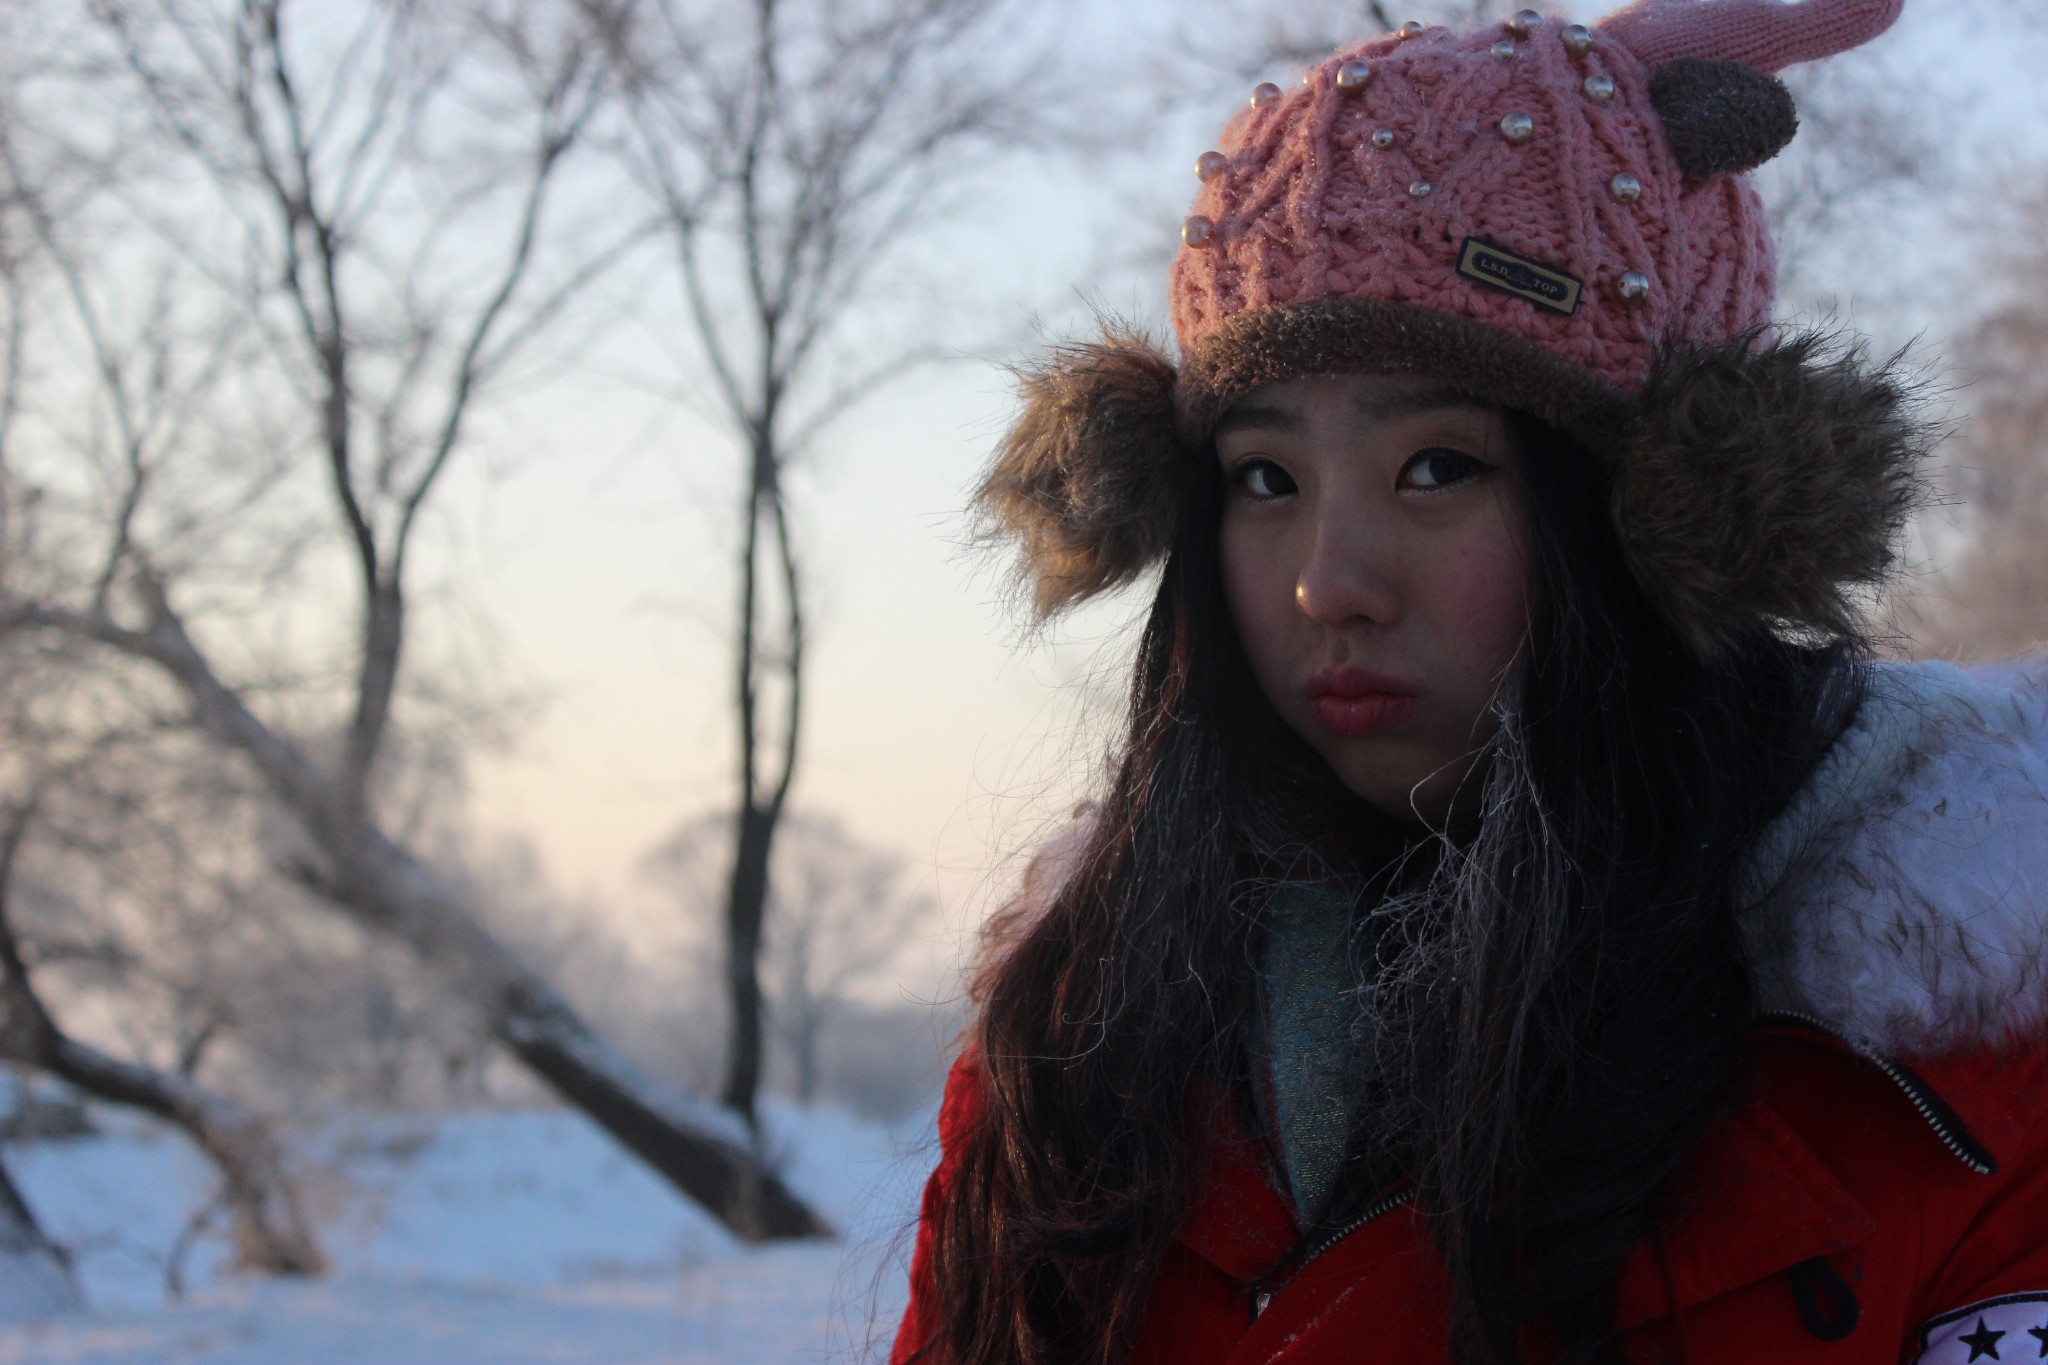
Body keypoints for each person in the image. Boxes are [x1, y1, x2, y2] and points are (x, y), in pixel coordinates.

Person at [891, 0, 2048, 1362]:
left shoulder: (1953, 1075)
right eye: (1265, 478)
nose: (1330, 582)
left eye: (1437, 467)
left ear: (1666, 514)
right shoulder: (1070, 1055)